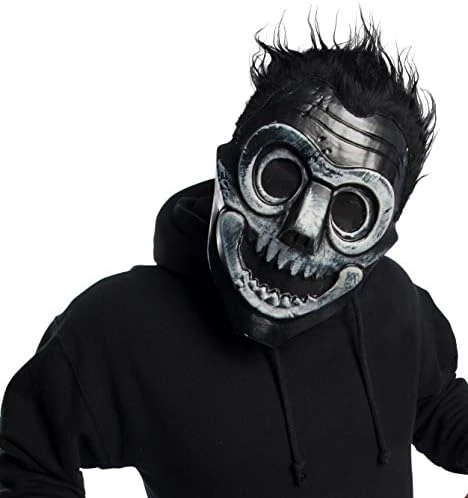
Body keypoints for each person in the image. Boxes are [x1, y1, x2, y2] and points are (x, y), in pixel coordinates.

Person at [0, 14, 467, 498]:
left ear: (382, 238)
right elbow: (28, 465)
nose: (304, 228)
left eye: (352, 211)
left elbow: (433, 404)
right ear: (231, 163)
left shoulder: (394, 302)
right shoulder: (124, 325)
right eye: (280, 175)